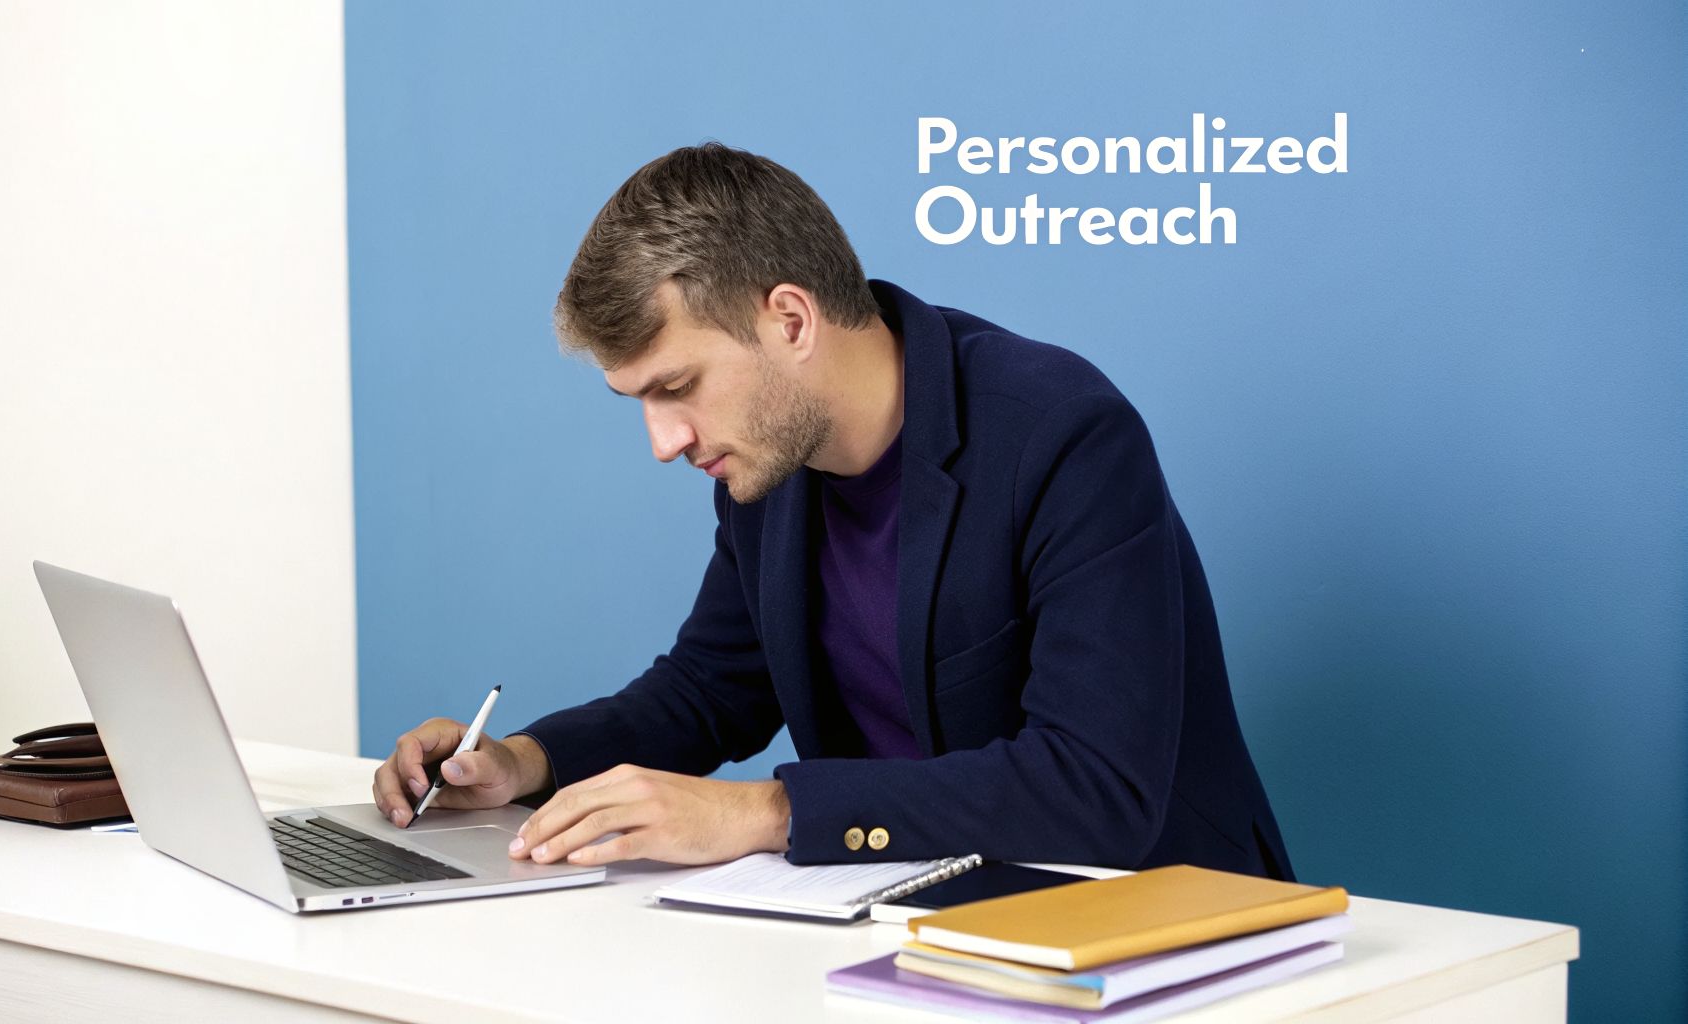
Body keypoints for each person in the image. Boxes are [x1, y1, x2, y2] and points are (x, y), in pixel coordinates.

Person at [372, 143, 1294, 881]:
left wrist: (765, 810)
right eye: (641, 402)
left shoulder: (1063, 434)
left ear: (792, 320)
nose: (664, 440)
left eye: (678, 386)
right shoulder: (770, 464)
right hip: (911, 914)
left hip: (1152, 921)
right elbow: (711, 687)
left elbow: (1094, 785)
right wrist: (525, 763)